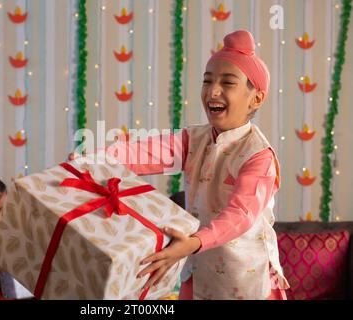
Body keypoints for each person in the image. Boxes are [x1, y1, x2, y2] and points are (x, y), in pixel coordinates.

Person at [71, 30, 289, 300]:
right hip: (197, 275)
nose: (213, 90)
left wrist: (193, 243)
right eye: (207, 81)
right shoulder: (192, 140)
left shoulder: (259, 156)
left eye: (227, 82)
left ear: (256, 98)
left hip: (246, 282)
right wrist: (94, 160)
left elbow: (241, 215)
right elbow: (143, 152)